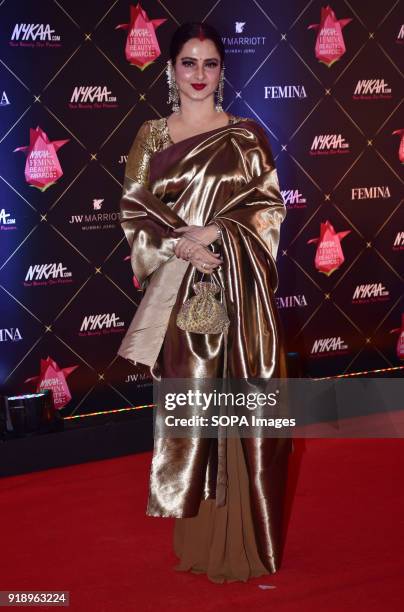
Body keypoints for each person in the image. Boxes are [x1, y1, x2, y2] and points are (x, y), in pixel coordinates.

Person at [117, 22, 292, 584]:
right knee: (193, 408)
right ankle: (199, 536)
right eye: (188, 63)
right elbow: (134, 211)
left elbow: (267, 210)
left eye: (210, 63)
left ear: (223, 70)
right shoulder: (151, 136)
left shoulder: (245, 136)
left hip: (239, 293)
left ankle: (241, 540)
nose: (198, 75)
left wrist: (219, 233)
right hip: (180, 296)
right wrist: (182, 244)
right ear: (170, 69)